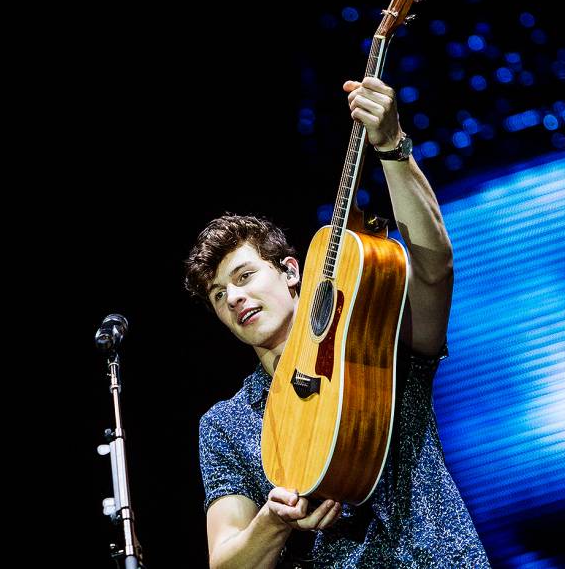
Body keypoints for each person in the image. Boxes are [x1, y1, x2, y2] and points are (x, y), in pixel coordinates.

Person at [185, 76, 489, 567]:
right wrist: (273, 521)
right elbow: (226, 561)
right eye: (220, 295)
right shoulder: (227, 423)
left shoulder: (377, 343)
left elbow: (434, 267)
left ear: (289, 271)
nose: (234, 297)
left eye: (244, 276)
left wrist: (391, 146)